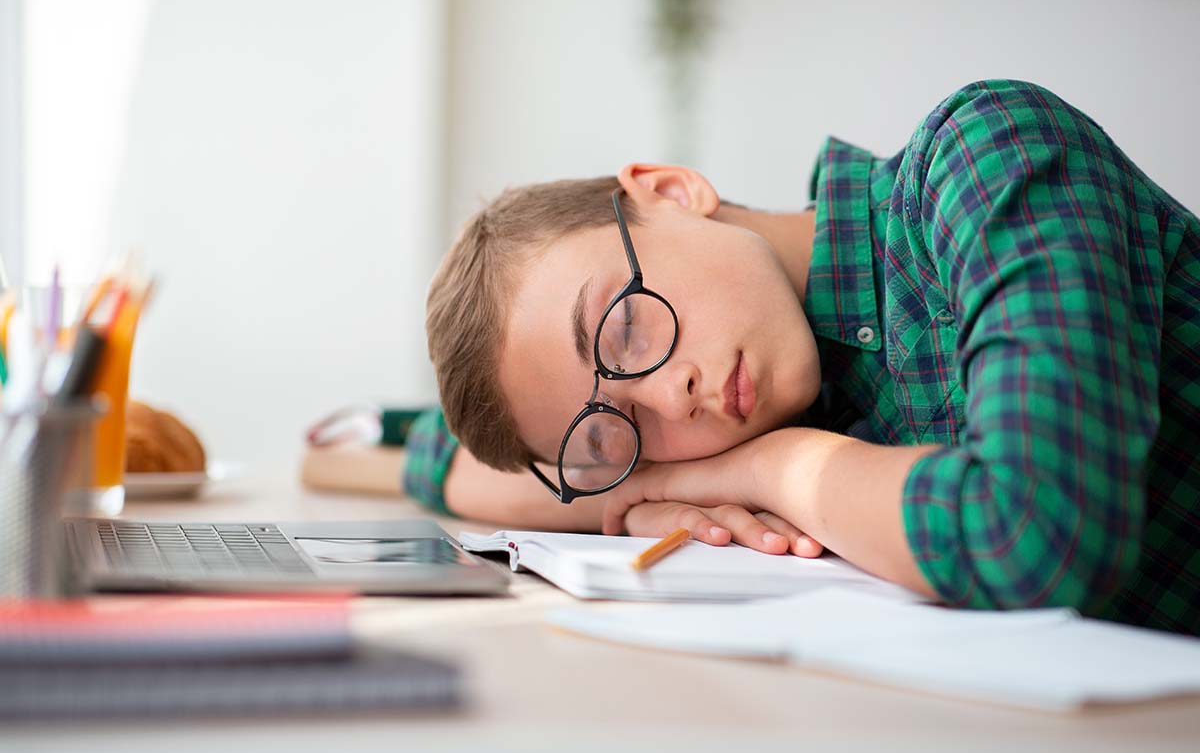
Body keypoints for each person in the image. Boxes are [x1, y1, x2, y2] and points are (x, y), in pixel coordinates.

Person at [404, 79, 1199, 636]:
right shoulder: (773, 396)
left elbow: (1032, 535)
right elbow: (456, 460)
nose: (670, 398)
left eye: (623, 329)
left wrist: (772, 471)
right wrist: (641, 474)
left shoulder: (985, 155)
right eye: (619, 432)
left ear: (673, 191)